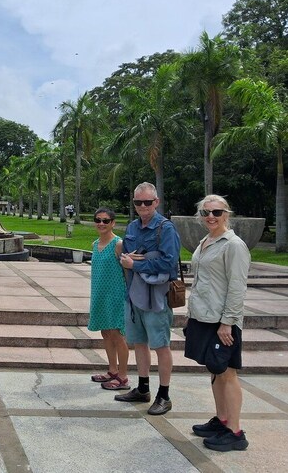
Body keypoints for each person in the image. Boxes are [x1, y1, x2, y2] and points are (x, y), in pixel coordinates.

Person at [184, 195, 250, 451]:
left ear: (226, 214)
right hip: (204, 316)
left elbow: (237, 287)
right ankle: (222, 420)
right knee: (215, 370)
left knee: (228, 372)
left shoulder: (233, 245)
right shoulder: (206, 241)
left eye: (216, 211)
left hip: (222, 320)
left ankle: (235, 432)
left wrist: (227, 322)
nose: (210, 216)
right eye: (205, 212)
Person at [114, 182, 180, 415]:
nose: (143, 206)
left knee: (161, 345)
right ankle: (142, 388)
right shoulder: (132, 227)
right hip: (133, 294)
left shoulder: (165, 228)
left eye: (147, 202)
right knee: (139, 343)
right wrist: (125, 259)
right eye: (138, 202)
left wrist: (136, 263)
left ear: (156, 202)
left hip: (157, 296)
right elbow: (126, 256)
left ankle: (164, 395)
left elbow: (169, 262)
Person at [88, 207, 130, 390]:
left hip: (115, 295)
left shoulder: (118, 244)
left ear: (113, 223)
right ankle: (112, 370)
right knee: (105, 333)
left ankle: (123, 376)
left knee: (117, 335)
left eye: (106, 221)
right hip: (99, 294)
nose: (101, 224)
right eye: (98, 220)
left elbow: (127, 271)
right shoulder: (95, 244)